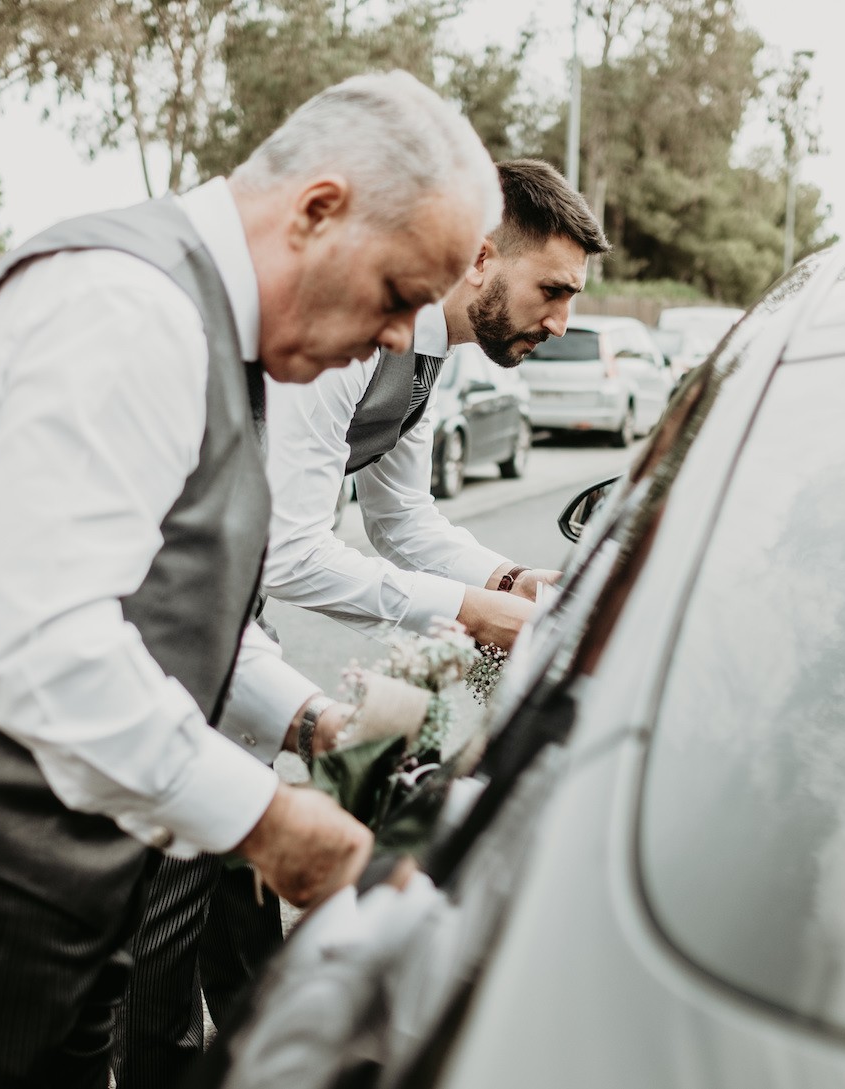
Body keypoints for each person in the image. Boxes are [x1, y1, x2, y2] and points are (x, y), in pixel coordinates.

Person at [0, 70, 502, 1089]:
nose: (393, 337)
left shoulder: (214, 332)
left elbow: (158, 604)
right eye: (397, 294)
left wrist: (312, 724)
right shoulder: (129, 311)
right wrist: (275, 826)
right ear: (318, 211)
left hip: (55, 865)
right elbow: (48, 649)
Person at [115, 159, 610, 1088]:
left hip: (235, 631)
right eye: (551, 289)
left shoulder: (429, 352)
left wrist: (511, 579)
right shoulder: (349, 325)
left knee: (252, 940)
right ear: (479, 259)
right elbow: (291, 550)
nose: (562, 319)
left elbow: (400, 520)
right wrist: (468, 610)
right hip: (165, 613)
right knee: (165, 948)